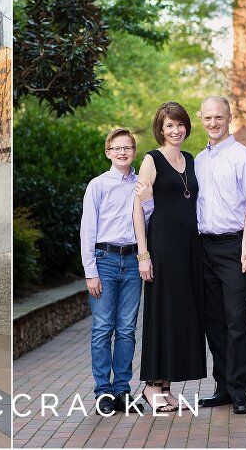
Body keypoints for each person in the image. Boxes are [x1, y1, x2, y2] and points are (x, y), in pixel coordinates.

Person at [195, 95, 246, 415]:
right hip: (203, 248)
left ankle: (241, 392)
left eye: (219, 117)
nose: (213, 123)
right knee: (214, 322)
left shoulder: (244, 158)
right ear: (201, 119)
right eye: (208, 118)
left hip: (234, 249)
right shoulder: (196, 160)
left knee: (236, 320)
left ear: (229, 118)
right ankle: (222, 387)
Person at [133, 102, 206, 413]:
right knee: (161, 312)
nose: (176, 131)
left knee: (180, 314)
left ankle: (167, 385)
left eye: (180, 125)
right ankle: (151, 386)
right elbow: (138, 208)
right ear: (160, 130)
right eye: (169, 126)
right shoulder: (153, 159)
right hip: (162, 247)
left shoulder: (190, 159)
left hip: (189, 248)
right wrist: (143, 254)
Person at [79, 128, 144, 416]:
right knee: (103, 327)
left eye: (127, 148)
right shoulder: (98, 185)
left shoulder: (141, 183)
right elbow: (87, 230)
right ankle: (103, 390)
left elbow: (148, 218)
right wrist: (90, 271)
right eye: (116, 148)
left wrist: (149, 196)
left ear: (134, 151)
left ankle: (122, 389)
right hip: (104, 260)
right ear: (108, 152)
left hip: (132, 260)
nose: (122, 152)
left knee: (127, 329)